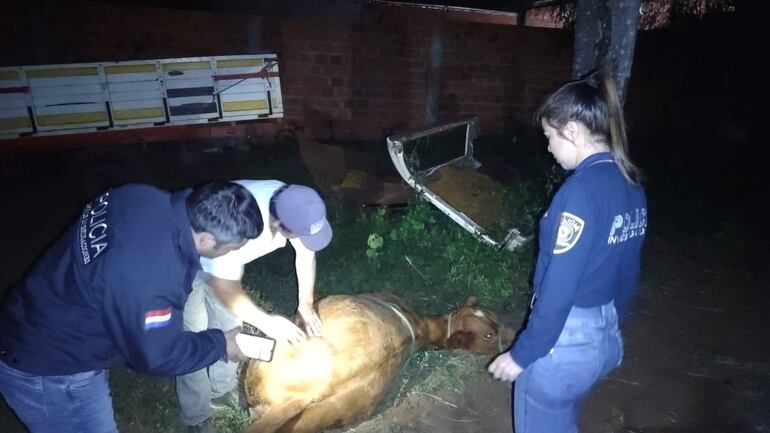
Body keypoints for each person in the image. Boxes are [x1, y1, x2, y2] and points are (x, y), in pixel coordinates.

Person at [0, 181, 264, 433]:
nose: (231, 254)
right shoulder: (155, 278)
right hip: (52, 366)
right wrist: (222, 344)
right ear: (206, 239)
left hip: (32, 314)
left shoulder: (138, 195)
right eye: (231, 248)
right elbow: (157, 356)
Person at [488, 71, 647, 433]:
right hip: (604, 336)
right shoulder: (630, 184)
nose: (547, 147)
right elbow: (629, 272)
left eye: (549, 136)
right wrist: (611, 330)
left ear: (572, 131)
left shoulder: (579, 193)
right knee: (561, 416)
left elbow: (558, 288)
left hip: (564, 347)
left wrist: (523, 353)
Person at [176, 180, 333, 433]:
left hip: (225, 268)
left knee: (231, 329)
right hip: (189, 265)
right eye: (300, 234)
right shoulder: (241, 223)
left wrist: (306, 304)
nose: (304, 240)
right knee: (194, 338)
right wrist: (268, 323)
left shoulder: (296, 203)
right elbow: (224, 288)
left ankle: (221, 393)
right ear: (279, 224)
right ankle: (196, 415)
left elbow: (306, 255)